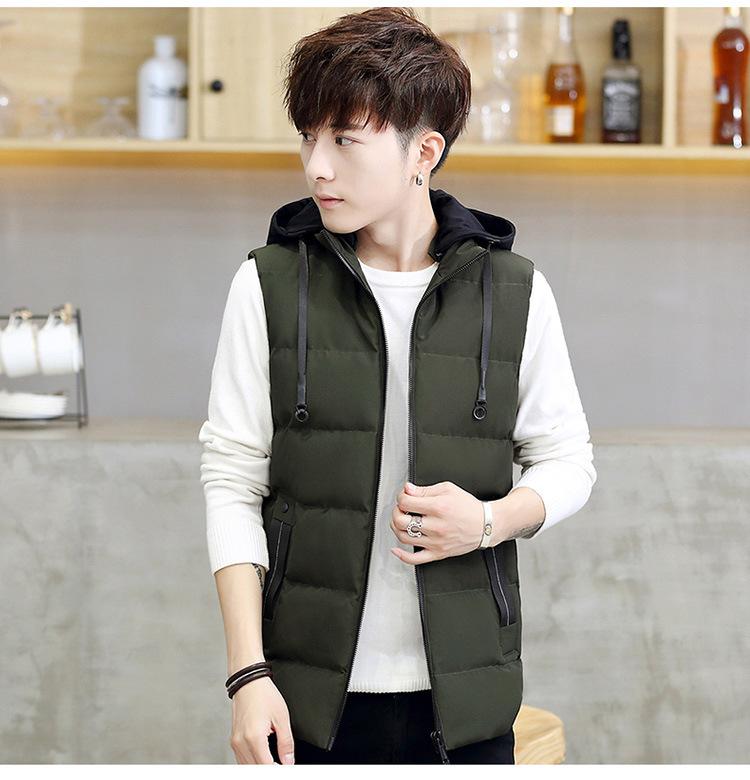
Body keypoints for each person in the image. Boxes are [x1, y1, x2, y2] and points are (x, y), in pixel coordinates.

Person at [198, 7, 596, 765]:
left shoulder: (511, 290)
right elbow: (231, 481)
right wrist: (247, 674)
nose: (317, 166)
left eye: (345, 139)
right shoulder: (269, 284)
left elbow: (569, 462)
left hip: (464, 699)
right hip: (306, 698)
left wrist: (488, 521)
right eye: (308, 137)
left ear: (425, 151)